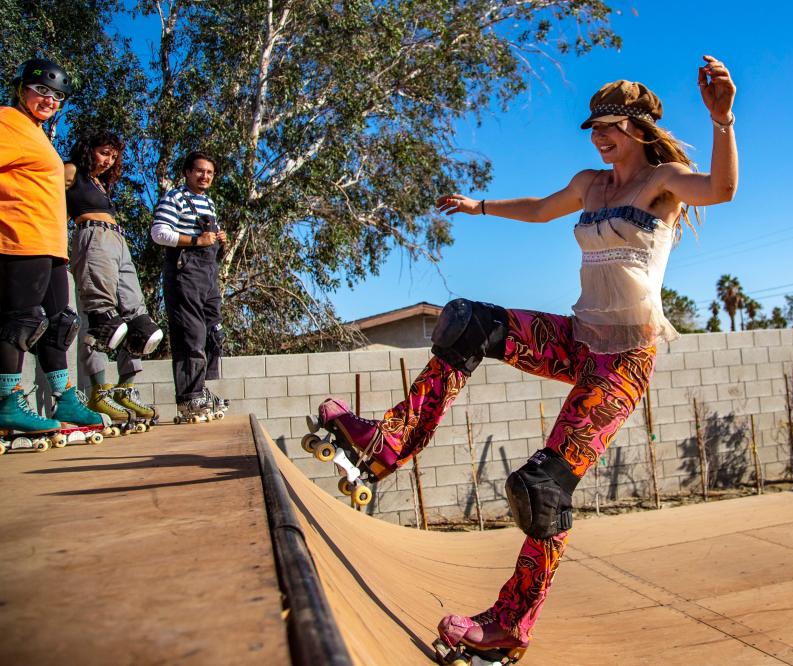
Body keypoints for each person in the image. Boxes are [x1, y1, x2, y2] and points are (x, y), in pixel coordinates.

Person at [314, 55, 738, 659]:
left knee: (541, 489)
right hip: (576, 336)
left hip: (622, 364)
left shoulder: (664, 180)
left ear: (639, 127)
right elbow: (541, 208)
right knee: (468, 322)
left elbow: (721, 189)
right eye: (594, 127)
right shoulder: (591, 184)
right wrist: (478, 206)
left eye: (611, 126)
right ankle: (391, 441)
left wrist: (722, 121)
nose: (600, 136)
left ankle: (511, 623)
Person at [0, 58, 107, 443]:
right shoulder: (7, 121)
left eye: (58, 95)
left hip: (50, 243)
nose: (49, 99)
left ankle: (64, 399)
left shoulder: (37, 133)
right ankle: (8, 402)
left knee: (62, 322)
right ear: (21, 88)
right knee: (22, 321)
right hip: (19, 236)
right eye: (41, 90)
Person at [65, 129, 163, 430]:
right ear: (88, 148)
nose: (109, 160)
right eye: (104, 153)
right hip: (92, 238)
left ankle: (125, 389)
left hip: (118, 243)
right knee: (103, 320)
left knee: (141, 327)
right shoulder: (70, 171)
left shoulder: (101, 185)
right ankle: (98, 391)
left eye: (113, 156)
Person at [150, 151, 230, 421]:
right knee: (190, 334)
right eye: (199, 171)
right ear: (186, 172)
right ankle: (188, 398)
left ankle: (201, 389)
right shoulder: (175, 198)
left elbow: (210, 243)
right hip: (185, 274)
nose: (204, 176)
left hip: (208, 275)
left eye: (209, 172)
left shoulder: (208, 202)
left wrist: (220, 240)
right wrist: (196, 241)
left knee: (212, 332)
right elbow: (159, 233)